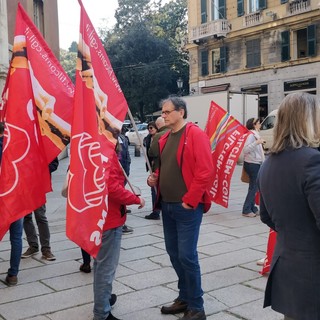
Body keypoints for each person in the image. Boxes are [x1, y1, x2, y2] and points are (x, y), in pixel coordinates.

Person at [147, 96, 214, 320]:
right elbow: (162, 167)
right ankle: (184, 297)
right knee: (174, 254)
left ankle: (197, 306)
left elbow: (205, 171)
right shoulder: (165, 138)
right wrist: (154, 178)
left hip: (186, 208)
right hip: (166, 205)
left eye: (167, 112)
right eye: (162, 112)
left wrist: (190, 199)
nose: (162, 116)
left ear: (181, 112)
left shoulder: (195, 134)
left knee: (187, 256)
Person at [258, 92, 320, 320]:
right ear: (308, 120)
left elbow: (265, 216)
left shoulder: (268, 163)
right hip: (313, 273)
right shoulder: (312, 160)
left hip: (287, 265)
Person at [93, 147, 145, 320]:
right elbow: (112, 188)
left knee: (100, 265)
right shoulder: (105, 153)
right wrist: (136, 199)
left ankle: (104, 299)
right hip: (108, 218)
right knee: (105, 268)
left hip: (96, 217)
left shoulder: (91, 148)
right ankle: (102, 313)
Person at [21, 158, 59, 261]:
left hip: (38, 184)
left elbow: (54, 163)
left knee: (40, 216)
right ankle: (33, 245)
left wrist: (41, 171)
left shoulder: (43, 142)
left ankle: (46, 249)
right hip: (23, 183)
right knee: (26, 216)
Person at [0, 122, 24, 286]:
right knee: (16, 237)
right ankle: (13, 274)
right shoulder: (18, 147)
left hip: (2, 198)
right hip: (17, 198)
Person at [145, 117, 169, 220]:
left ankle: (156, 211)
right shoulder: (174, 132)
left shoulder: (159, 135)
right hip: (171, 168)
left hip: (159, 167)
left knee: (155, 189)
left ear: (158, 125)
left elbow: (152, 152)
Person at [242, 117, 265, 218]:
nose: (260, 125)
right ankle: (246, 209)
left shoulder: (254, 134)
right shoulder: (251, 135)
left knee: (254, 187)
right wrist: (257, 142)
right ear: (254, 124)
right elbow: (246, 149)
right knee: (254, 188)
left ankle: (252, 208)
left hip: (255, 163)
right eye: (259, 123)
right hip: (252, 164)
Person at [118, 126, 134, 235]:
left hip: (123, 171)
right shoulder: (109, 138)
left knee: (120, 197)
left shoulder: (123, 138)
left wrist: (126, 171)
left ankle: (121, 222)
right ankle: (120, 224)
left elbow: (126, 156)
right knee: (118, 197)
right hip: (115, 173)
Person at [143, 121, 160, 220]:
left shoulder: (159, 137)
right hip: (151, 165)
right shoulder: (148, 138)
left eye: (151, 128)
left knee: (155, 189)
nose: (150, 130)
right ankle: (156, 209)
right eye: (148, 128)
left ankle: (156, 211)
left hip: (157, 166)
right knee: (153, 188)